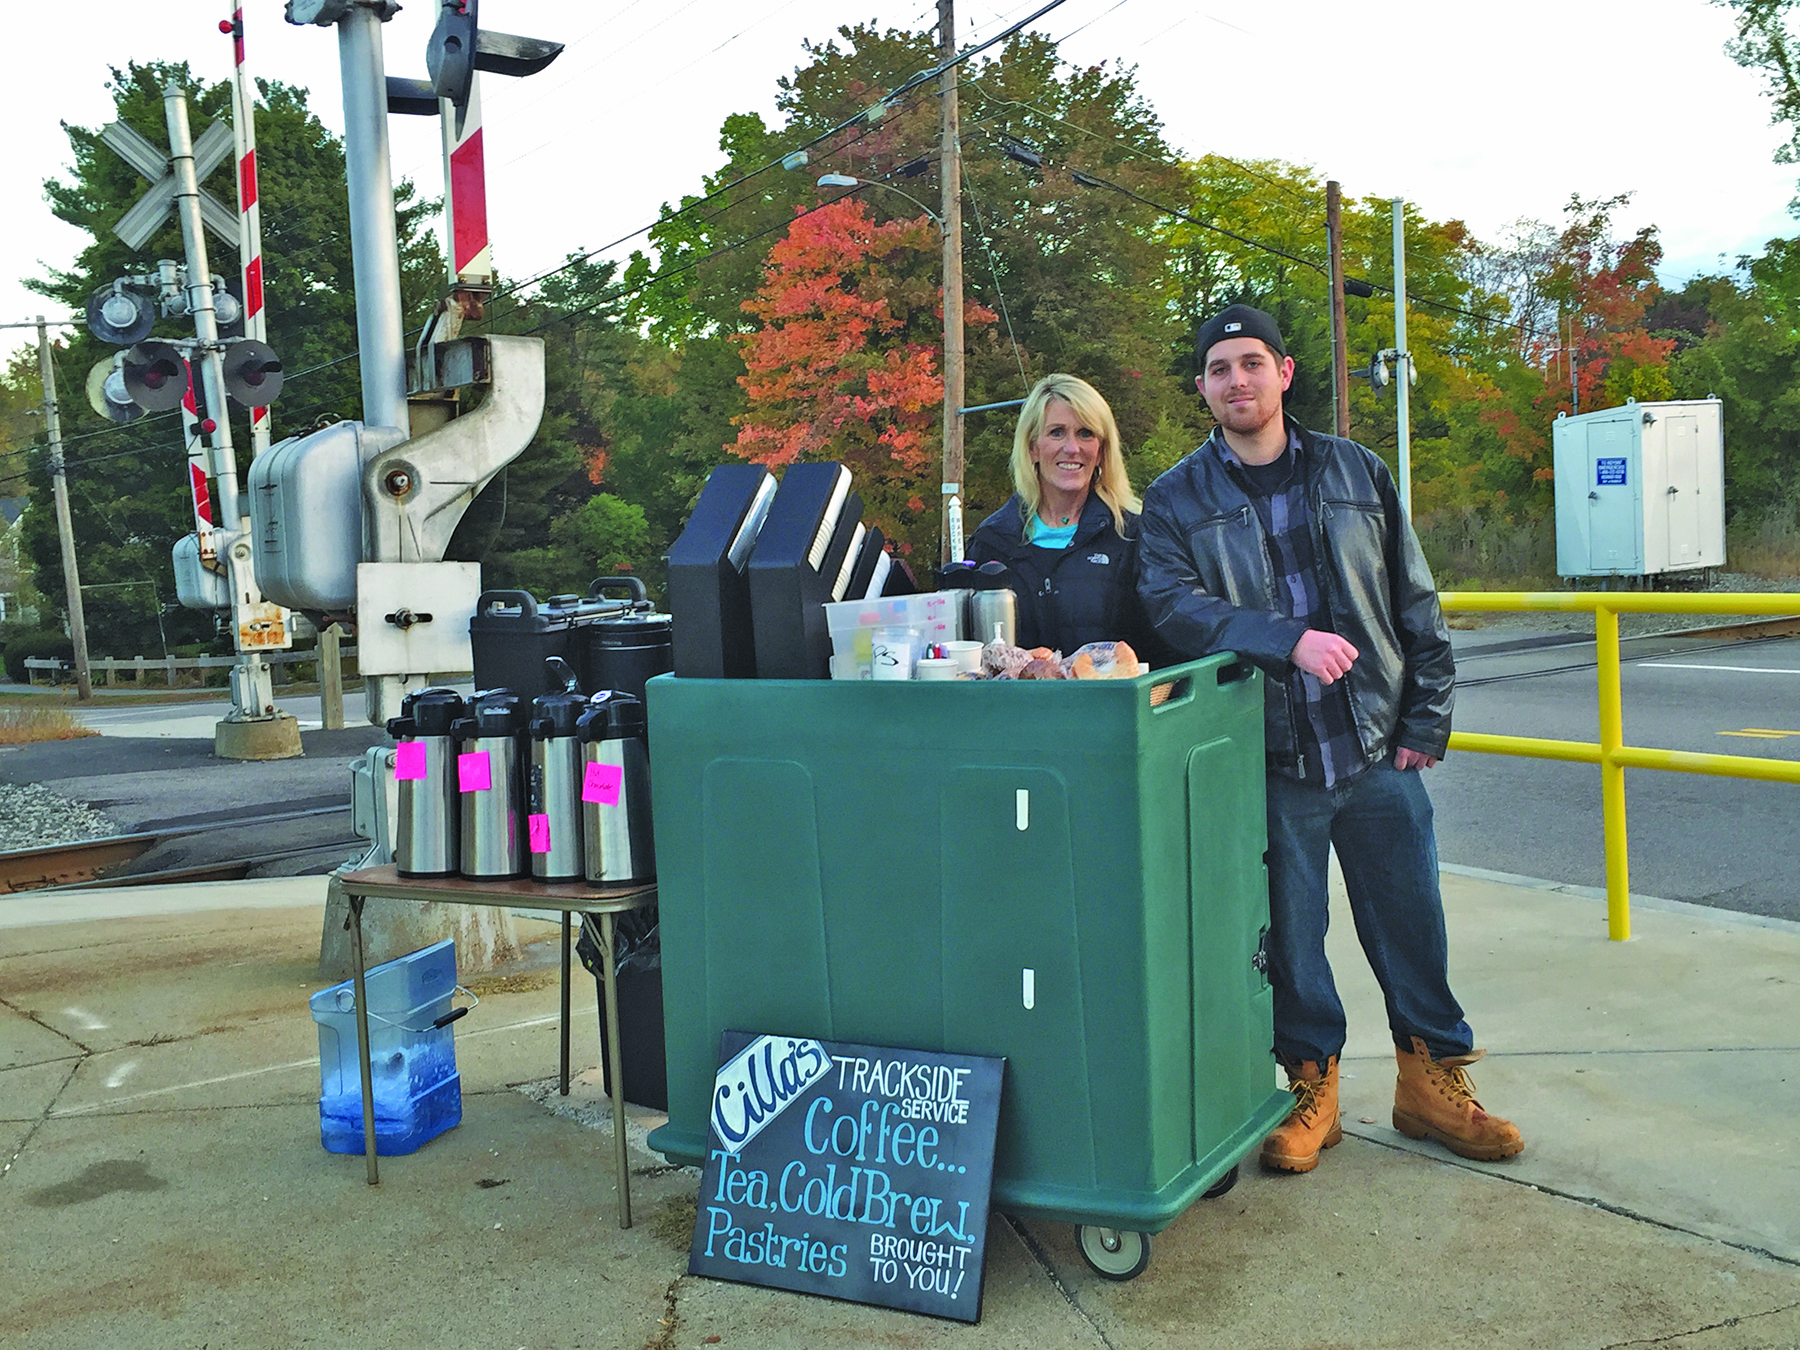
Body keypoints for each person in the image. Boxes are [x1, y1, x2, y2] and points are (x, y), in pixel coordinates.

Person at [1136, 304, 1522, 1173]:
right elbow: (1170, 607)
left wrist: (1427, 717)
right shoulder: (1175, 499)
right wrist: (1284, 641)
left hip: (1378, 745)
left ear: (1285, 371)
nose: (1237, 380)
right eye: (1219, 369)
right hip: (1272, 757)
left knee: (1411, 921)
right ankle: (1313, 1089)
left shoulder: (1356, 469)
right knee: (1292, 940)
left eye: (1251, 363)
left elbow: (1413, 598)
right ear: (1201, 388)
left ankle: (1432, 1085)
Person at [965, 374, 1155, 655]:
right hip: (1017, 699)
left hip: (1108, 698)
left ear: (1101, 450)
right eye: (1056, 432)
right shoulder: (992, 541)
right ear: (1032, 448)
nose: (1072, 448)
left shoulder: (1133, 536)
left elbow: (1161, 649)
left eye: (1086, 433)